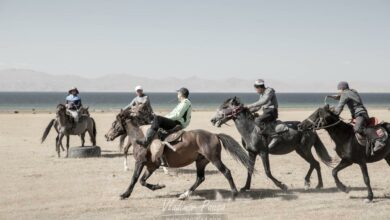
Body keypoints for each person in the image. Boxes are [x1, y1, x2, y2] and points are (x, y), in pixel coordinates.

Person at [328, 81, 385, 152]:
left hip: (359, 114)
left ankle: (378, 141)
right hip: (363, 114)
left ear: (342, 88)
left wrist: (332, 111)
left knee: (357, 129)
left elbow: (339, 108)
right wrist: (334, 97)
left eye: (340, 90)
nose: (340, 91)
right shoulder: (352, 92)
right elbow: (342, 96)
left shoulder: (345, 93)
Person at [245, 79, 280, 150]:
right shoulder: (262, 94)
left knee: (258, 120)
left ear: (259, 87)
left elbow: (264, 101)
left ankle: (275, 136)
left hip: (271, 111)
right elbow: (258, 107)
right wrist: (248, 111)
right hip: (266, 112)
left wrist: (250, 105)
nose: (256, 91)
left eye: (256, 89)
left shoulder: (269, 91)